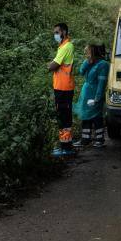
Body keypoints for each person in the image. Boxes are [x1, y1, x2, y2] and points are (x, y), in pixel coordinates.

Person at [73, 44, 110, 148]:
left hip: (95, 93)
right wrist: (87, 62)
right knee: (85, 115)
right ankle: (85, 139)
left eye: (87, 52)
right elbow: (81, 72)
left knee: (96, 116)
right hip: (86, 92)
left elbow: (101, 83)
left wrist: (97, 98)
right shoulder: (89, 62)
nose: (86, 54)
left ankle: (99, 139)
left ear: (93, 52)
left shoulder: (103, 64)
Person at [48, 23, 76, 157]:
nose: (56, 35)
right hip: (62, 87)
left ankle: (66, 148)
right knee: (63, 117)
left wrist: (49, 65)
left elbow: (53, 65)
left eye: (57, 32)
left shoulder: (66, 47)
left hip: (64, 88)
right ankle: (66, 145)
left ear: (64, 32)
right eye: (54, 33)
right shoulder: (63, 47)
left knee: (64, 117)